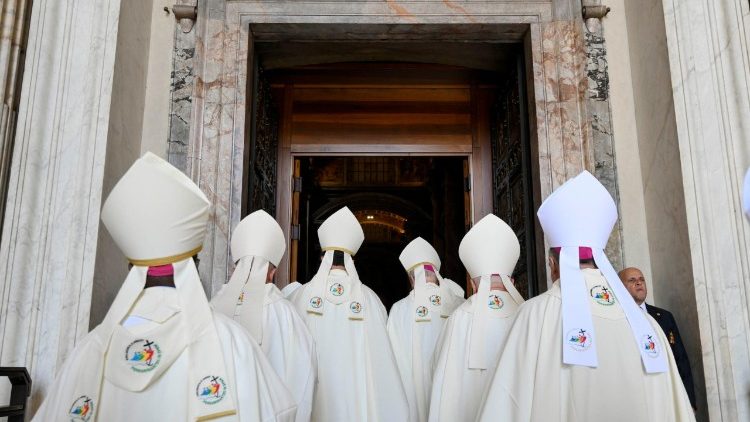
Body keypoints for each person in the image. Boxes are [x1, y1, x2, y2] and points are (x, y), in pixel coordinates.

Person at [32, 152, 296, 421]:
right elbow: (280, 412)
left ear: (131, 267)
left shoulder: (90, 351)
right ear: (193, 265)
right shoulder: (233, 343)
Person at [477, 171, 695, 422]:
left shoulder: (534, 315)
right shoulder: (647, 325)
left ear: (552, 263)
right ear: (600, 259)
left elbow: (507, 403)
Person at [288, 207, 409, 421]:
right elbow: (383, 363)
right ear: (352, 260)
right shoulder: (370, 300)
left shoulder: (299, 296)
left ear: (322, 257)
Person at [212, 210, 317, 421]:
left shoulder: (212, 308)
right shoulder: (285, 314)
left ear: (236, 266)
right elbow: (304, 377)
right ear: (273, 271)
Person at [428, 214, 525, 422]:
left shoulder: (459, 319)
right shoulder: (530, 316)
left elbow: (442, 379)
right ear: (513, 281)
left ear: (472, 285)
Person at [387, 237, 465, 422]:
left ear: (412, 279)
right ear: (436, 274)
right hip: (452, 394)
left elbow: (390, 357)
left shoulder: (399, 309)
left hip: (411, 396)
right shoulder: (459, 304)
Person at [618, 266, 697, 410]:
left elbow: (680, 359)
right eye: (632, 280)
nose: (639, 283)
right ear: (620, 287)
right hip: (635, 397)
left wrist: (689, 401)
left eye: (642, 279)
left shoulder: (664, 317)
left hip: (666, 392)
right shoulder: (616, 319)